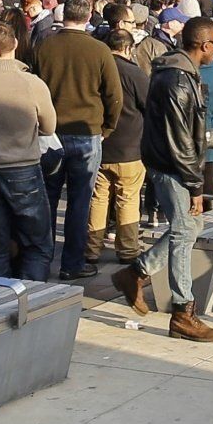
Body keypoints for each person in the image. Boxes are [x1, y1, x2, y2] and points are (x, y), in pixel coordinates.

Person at [114, 17, 213, 342]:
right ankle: (182, 312)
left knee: (190, 227)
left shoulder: (178, 73)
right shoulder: (177, 79)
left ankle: (135, 272)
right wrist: (195, 187)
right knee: (183, 230)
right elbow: (180, 141)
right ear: (204, 45)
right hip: (173, 167)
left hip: (172, 164)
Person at [32, 0, 122, 282]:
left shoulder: (43, 47)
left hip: (50, 132)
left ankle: (40, 262)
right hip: (86, 133)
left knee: (47, 199)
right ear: (89, 16)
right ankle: (71, 264)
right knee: (80, 202)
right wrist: (106, 128)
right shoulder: (99, 50)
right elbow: (114, 96)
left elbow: (33, 87)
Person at [0, 20, 58, 281]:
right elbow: (49, 127)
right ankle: (33, 302)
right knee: (37, 244)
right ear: (15, 44)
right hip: (22, 168)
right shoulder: (31, 82)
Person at [87, 30, 150, 267]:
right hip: (130, 148)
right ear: (128, 48)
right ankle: (128, 249)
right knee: (128, 199)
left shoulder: (96, 70)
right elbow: (150, 106)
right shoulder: (135, 73)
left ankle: (91, 248)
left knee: (99, 198)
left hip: (101, 145)